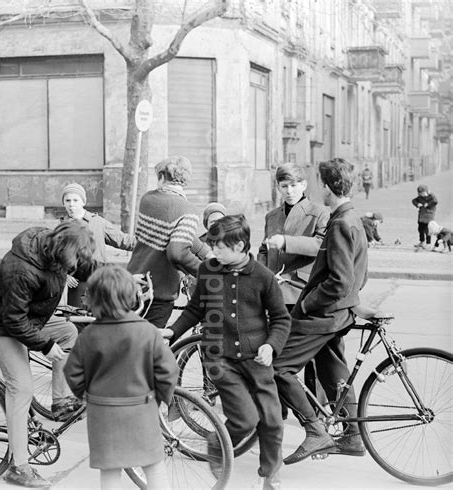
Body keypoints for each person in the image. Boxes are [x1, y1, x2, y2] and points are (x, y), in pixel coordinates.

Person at [162, 215, 291, 490]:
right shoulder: (208, 270)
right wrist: (173, 331)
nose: (213, 251)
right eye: (213, 245)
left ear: (240, 245)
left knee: (272, 420)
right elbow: (196, 309)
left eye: (220, 246)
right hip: (219, 357)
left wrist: (271, 345)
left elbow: (281, 319)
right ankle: (216, 443)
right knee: (245, 419)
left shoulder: (263, 277)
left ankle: (269, 476)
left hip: (256, 358)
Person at [0, 221, 96, 488]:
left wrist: (121, 280)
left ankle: (60, 401)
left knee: (68, 333)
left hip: (31, 318)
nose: (74, 266)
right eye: (73, 260)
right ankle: (18, 467)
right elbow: (14, 320)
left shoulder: (57, 251)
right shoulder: (23, 269)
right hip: (1, 323)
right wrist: (45, 345)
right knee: (21, 388)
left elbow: (89, 267)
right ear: (62, 250)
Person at [272, 158, 368, 465]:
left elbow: (339, 281)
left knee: (277, 366)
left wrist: (308, 303)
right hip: (341, 311)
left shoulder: (339, 223)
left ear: (326, 187)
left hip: (326, 313)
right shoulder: (351, 217)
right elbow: (357, 276)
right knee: (332, 366)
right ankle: (352, 436)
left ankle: (315, 432)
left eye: (319, 183)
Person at [64, 265, 178, 490]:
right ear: (131, 296)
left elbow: (72, 372)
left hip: (103, 414)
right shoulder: (147, 332)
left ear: (94, 300)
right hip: (142, 409)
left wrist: (87, 395)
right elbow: (168, 371)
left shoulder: (89, 336)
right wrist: (160, 398)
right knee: (154, 467)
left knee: (110, 471)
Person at [127, 156, 205, 328]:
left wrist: (206, 252)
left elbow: (172, 234)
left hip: (133, 280)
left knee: (131, 342)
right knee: (150, 349)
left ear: (161, 177)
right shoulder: (187, 210)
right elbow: (177, 253)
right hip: (159, 290)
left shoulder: (147, 200)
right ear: (184, 181)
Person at [258, 163, 329, 309]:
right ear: (278, 187)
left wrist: (285, 242)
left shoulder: (320, 213)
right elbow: (264, 249)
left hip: (301, 291)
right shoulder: (272, 216)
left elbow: (321, 245)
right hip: (273, 292)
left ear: (303, 185)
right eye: (284, 186)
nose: (289, 191)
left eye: (293, 185)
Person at [61, 182, 136, 307]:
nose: (71, 204)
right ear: (63, 203)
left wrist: (149, 242)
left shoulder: (97, 222)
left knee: (101, 320)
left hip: (99, 280)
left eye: (75, 200)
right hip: (77, 285)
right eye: (67, 200)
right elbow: (55, 257)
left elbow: (123, 240)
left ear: (83, 202)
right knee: (77, 322)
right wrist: (64, 274)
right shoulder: (62, 227)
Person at [412, 184, 438, 249]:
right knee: (420, 229)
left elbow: (435, 201)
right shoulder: (420, 197)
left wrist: (428, 204)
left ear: (427, 191)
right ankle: (422, 242)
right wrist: (418, 204)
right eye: (420, 194)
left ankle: (428, 243)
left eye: (423, 193)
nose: (422, 195)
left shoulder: (431, 196)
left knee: (428, 230)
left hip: (429, 216)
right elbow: (413, 201)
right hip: (421, 216)